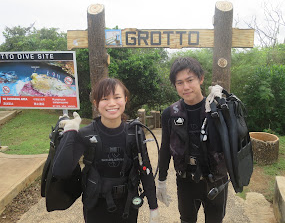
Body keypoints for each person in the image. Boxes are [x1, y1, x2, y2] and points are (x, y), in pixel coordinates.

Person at [52, 77, 159, 223]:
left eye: (117, 97)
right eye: (105, 98)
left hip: (127, 205)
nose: (112, 103)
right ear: (96, 104)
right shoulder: (86, 134)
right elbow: (60, 171)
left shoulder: (134, 133)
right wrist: (70, 132)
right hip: (96, 205)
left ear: (125, 100)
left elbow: (145, 169)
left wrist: (154, 207)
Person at [156, 57, 229, 223]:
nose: (186, 87)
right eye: (180, 82)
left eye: (190, 80)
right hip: (186, 180)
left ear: (201, 78)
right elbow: (165, 148)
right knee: (187, 219)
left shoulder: (217, 109)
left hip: (216, 179)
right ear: (175, 85)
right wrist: (161, 180)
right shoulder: (170, 113)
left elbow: (234, 142)